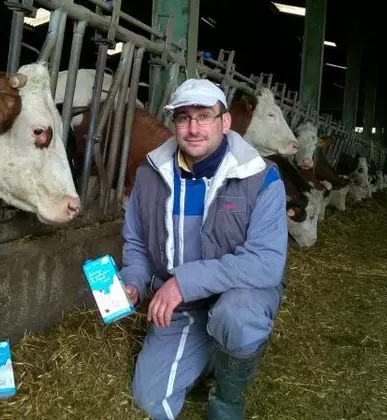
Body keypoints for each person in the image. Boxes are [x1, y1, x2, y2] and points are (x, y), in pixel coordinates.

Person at [118, 78, 288, 420]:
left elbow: (266, 263)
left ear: (225, 122)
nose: (194, 128)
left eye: (205, 116)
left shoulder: (260, 177)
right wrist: (133, 280)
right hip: (182, 307)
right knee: (148, 402)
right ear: (174, 124)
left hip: (238, 295)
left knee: (236, 316)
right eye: (183, 117)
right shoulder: (151, 175)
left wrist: (183, 282)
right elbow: (136, 242)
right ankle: (209, 349)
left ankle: (227, 397)